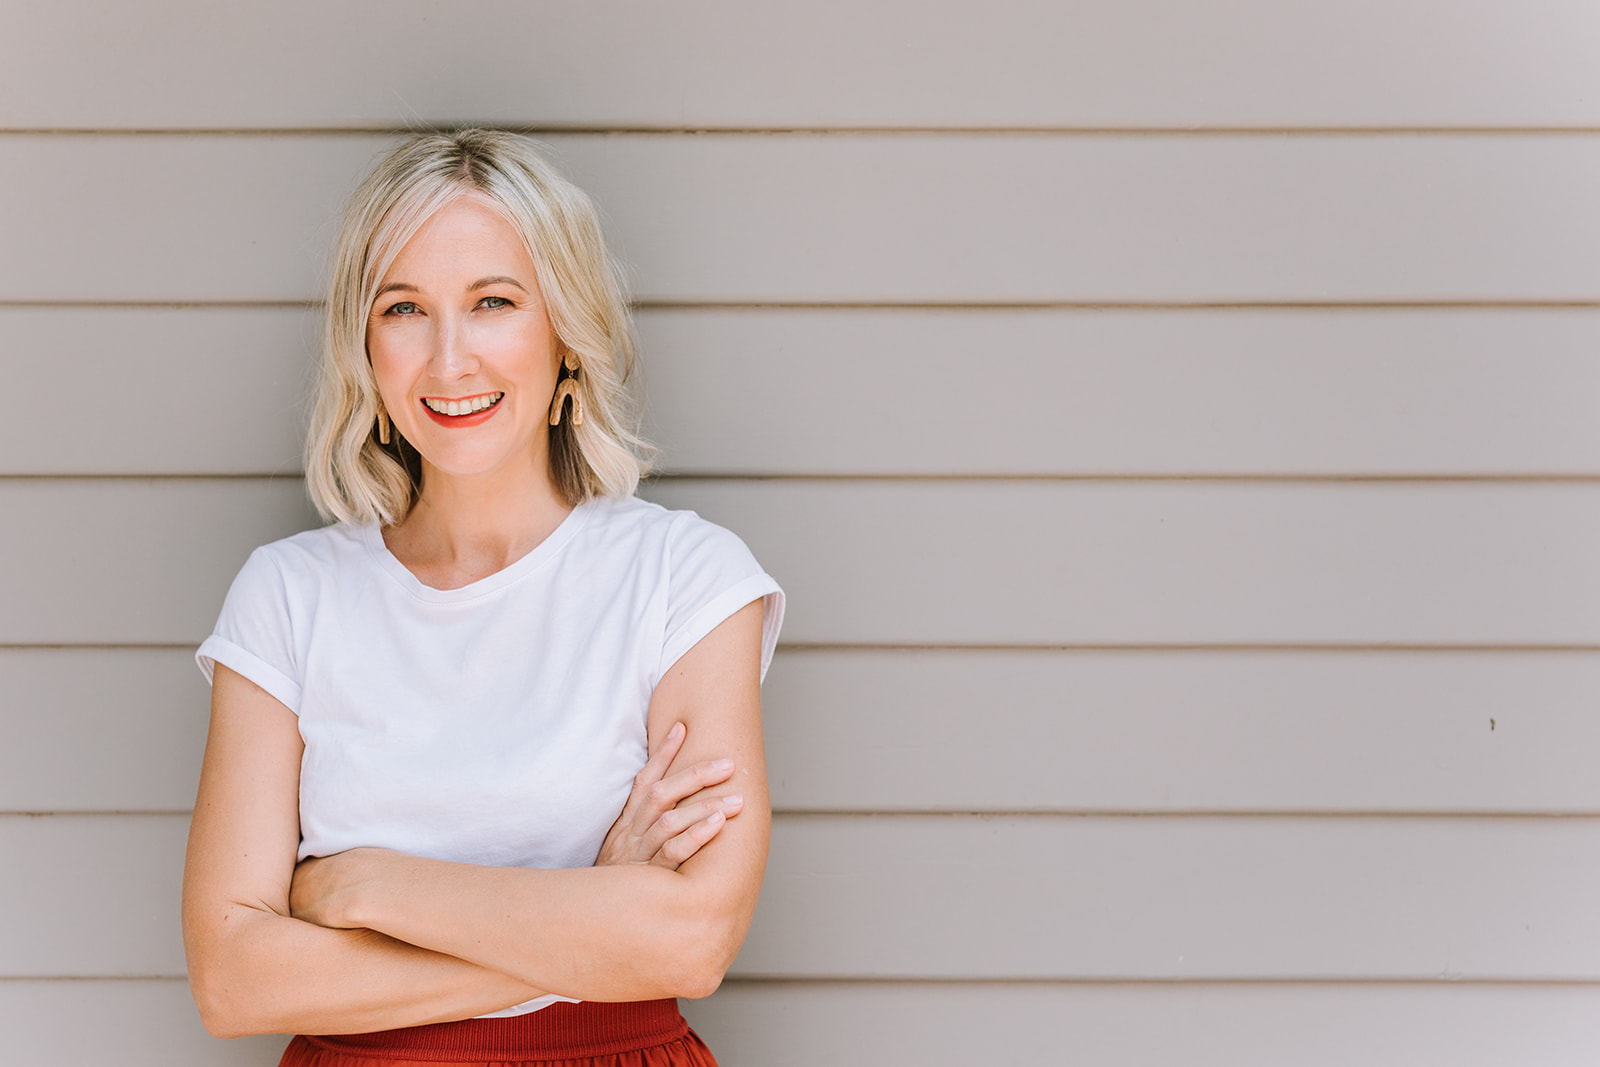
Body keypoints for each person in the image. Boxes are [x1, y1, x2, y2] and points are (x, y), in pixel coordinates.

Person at [181, 129, 784, 1067]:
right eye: (405, 309)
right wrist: (590, 913)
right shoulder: (288, 596)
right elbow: (234, 980)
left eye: (494, 302)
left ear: (564, 335)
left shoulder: (684, 578)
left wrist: (367, 886)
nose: (450, 358)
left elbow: (690, 940)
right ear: (365, 347)